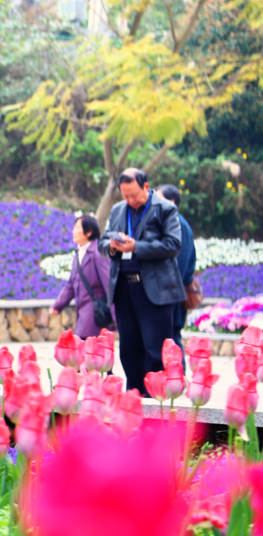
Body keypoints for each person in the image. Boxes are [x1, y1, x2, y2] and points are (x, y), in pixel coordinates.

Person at [98, 168, 184, 397]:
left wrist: (136, 246)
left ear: (146, 187)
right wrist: (113, 246)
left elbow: (173, 245)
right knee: (128, 350)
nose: (130, 200)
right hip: (125, 288)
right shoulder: (118, 210)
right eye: (125, 196)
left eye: (134, 195)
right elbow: (102, 244)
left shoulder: (165, 209)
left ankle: (156, 400)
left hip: (154, 292)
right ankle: (134, 400)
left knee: (155, 351)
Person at [49, 215, 113, 339]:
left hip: (95, 316)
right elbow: (70, 286)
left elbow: (109, 285)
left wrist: (116, 316)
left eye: (77, 227)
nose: (74, 231)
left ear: (89, 232)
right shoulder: (79, 253)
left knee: (91, 353)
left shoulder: (97, 253)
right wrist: (58, 306)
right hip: (84, 316)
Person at [157, 184, 197, 349]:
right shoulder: (171, 223)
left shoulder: (178, 225)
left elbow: (178, 267)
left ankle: (178, 375)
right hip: (170, 293)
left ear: (171, 202)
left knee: (172, 340)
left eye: (159, 199)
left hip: (173, 295)